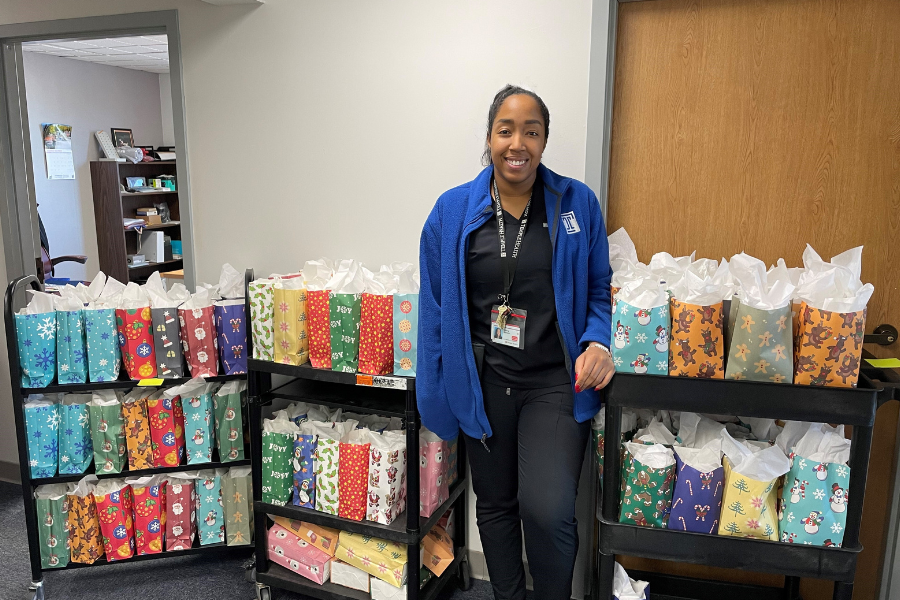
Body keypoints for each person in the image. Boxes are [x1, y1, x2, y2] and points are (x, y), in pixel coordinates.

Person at [418, 84, 614, 600]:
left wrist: (596, 341)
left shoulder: (576, 204)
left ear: (545, 141)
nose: (517, 143)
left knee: (548, 510)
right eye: (506, 130)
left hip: (554, 381)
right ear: (489, 137)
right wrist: (440, 391)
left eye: (532, 131)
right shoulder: (452, 211)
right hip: (485, 383)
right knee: (496, 504)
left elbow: (598, 289)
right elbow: (436, 308)